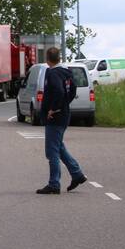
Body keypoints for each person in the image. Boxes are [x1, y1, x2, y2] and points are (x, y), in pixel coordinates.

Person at [36, 47, 87, 194]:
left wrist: (54, 108)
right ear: (59, 57)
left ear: (47, 58)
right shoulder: (67, 72)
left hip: (55, 116)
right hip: (64, 114)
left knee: (52, 151)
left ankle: (54, 184)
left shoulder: (52, 73)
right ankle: (77, 174)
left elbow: (58, 91)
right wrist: (65, 103)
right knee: (59, 147)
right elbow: (73, 90)